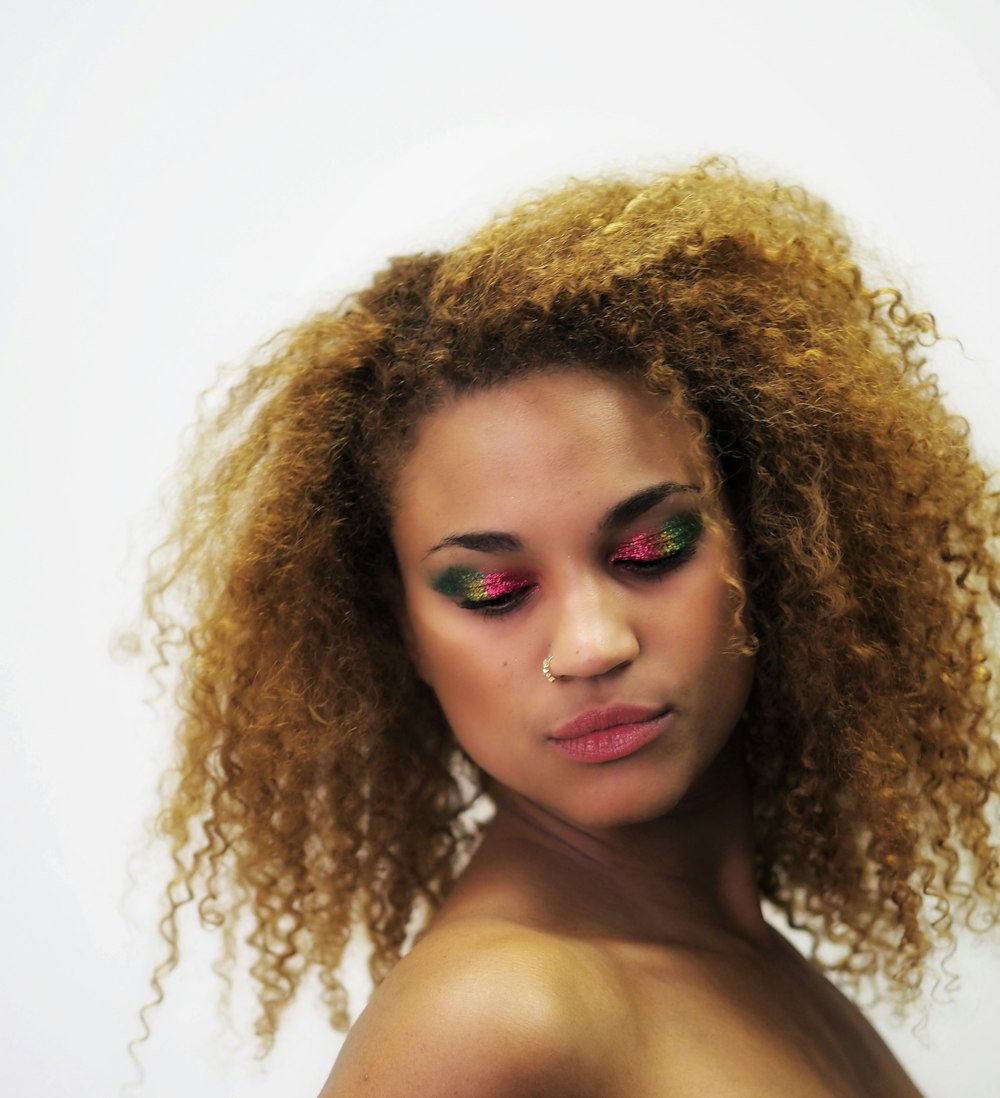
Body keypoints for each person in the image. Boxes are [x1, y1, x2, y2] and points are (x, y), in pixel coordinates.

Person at [143, 158, 1000, 1096]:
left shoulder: (740, 964)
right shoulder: (492, 1018)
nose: (591, 646)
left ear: (780, 545)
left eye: (653, 548)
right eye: (492, 590)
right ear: (403, 632)